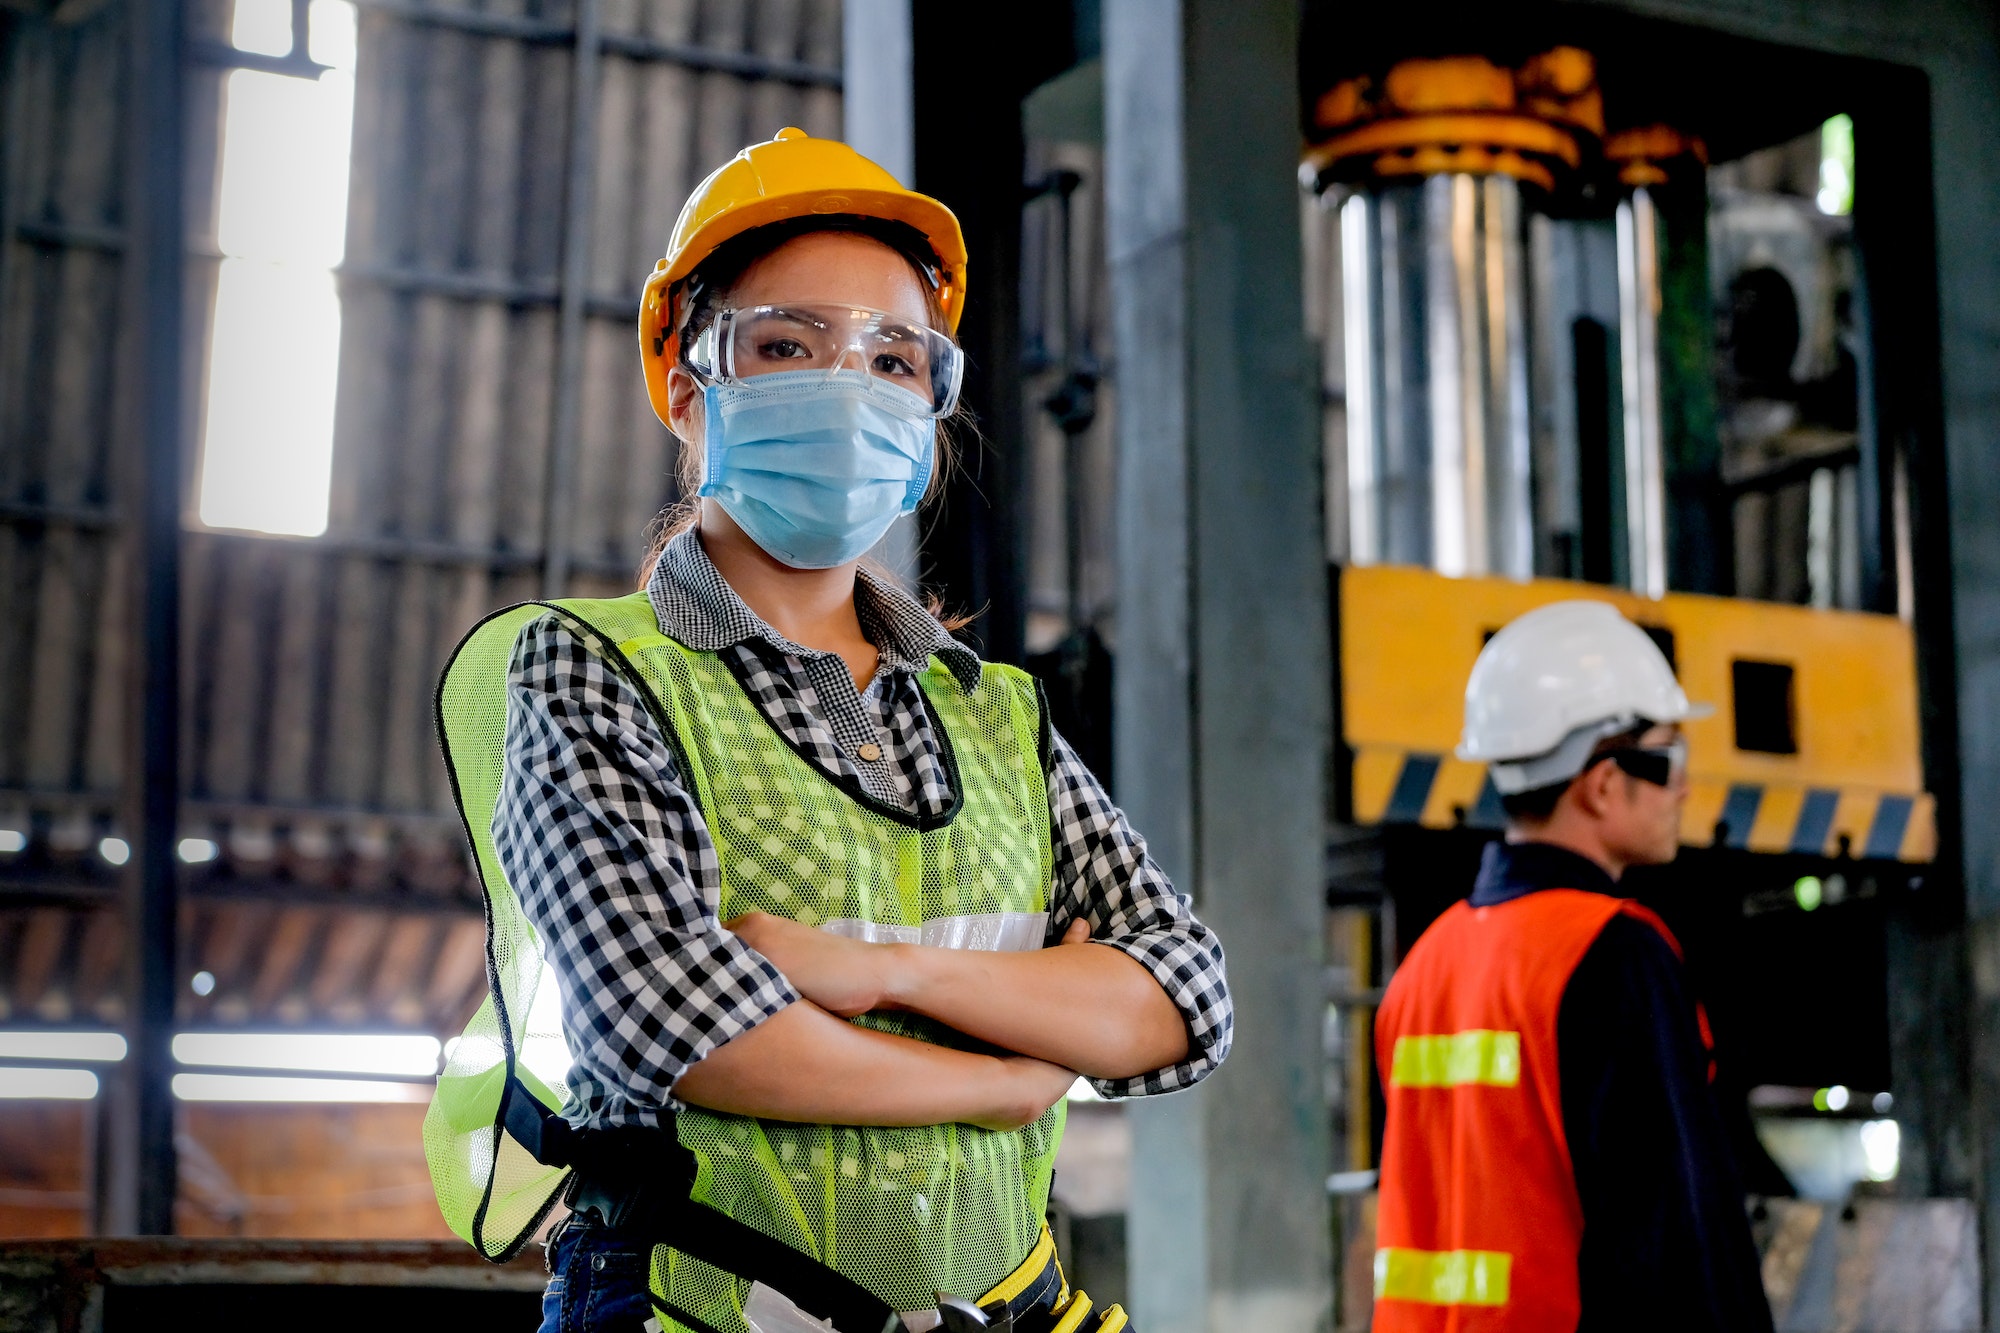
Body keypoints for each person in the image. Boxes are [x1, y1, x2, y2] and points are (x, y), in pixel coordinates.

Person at [424, 128, 1230, 1333]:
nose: (849, 387)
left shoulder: (990, 710)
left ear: (928, 418)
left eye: (894, 360)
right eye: (790, 345)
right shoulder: (592, 671)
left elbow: (1182, 997)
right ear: (690, 394)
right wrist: (1009, 1078)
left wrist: (880, 972)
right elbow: (686, 1026)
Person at [1371, 600, 1772, 1332]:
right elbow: (1681, 1239)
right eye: (1669, 757)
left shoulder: (1424, 966)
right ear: (1602, 781)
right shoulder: (1613, 954)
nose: (1683, 786)